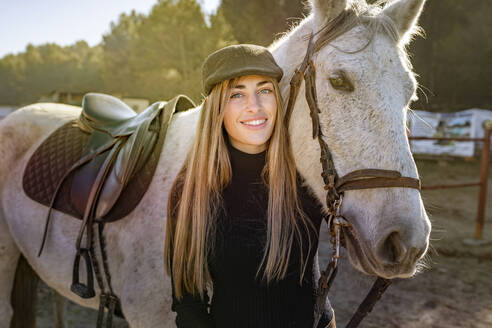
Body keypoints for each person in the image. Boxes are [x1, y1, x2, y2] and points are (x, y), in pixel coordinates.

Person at [164, 44, 335, 328]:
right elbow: (188, 306)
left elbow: (364, 230)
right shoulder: (189, 192)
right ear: (217, 107)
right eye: (237, 94)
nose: (254, 105)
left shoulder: (308, 176)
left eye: (265, 90)